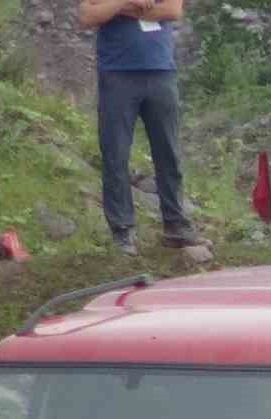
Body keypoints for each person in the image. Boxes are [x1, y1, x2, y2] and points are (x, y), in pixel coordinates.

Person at [79, 0, 209, 256]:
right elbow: (87, 15)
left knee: (168, 153)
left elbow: (173, 10)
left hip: (161, 71)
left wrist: (115, 9)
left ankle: (176, 226)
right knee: (115, 155)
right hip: (117, 73)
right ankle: (122, 231)